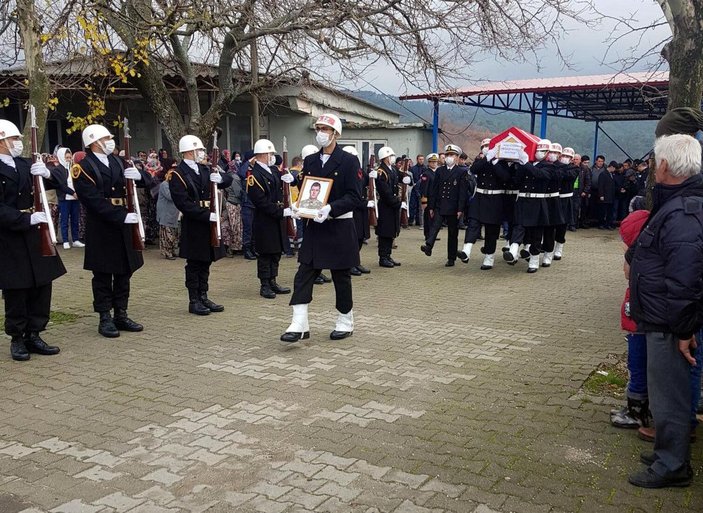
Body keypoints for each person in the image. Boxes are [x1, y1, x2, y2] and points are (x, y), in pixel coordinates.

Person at [627, 133, 703, 489]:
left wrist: (685, 330)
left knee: (669, 395)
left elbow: (686, 277)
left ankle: (673, 466)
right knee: (665, 392)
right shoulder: (677, 202)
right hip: (663, 315)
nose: (654, 166)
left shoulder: (685, 208)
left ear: (666, 165)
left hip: (669, 321)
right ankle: (667, 451)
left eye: (656, 161)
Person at [281, 113, 362, 343]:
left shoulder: (348, 161)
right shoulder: (312, 161)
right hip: (315, 227)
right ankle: (299, 324)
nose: (321, 133)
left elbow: (354, 196)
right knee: (304, 273)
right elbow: (309, 190)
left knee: (341, 277)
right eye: (318, 128)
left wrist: (331, 208)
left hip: (339, 226)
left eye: (325, 129)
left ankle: (345, 321)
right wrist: (299, 206)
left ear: (335, 134)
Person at [72, 124, 148, 338]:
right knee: (103, 274)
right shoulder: (83, 167)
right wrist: (120, 215)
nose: (110, 141)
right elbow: (91, 199)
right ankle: (104, 316)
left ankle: (121, 313)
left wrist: (139, 176)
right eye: (106, 138)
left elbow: (148, 182)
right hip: (103, 225)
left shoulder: (119, 161)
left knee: (125, 271)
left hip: (124, 223)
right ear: (94, 141)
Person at [0, 119, 66, 361]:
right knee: (17, 288)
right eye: (14, 139)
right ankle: (17, 338)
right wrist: (24, 218)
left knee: (41, 284)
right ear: (1, 140)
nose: (18, 143)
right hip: (11, 234)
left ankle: (35, 333)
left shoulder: (26, 163)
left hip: (35, 233)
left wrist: (48, 172)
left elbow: (61, 179)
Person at [168, 134, 232, 315]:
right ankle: (193, 300)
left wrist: (220, 179)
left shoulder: (204, 170)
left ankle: (203, 295)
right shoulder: (177, 174)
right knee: (195, 263)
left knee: (206, 261)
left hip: (208, 222)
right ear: (189, 151)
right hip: (195, 223)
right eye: (199, 150)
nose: (202, 153)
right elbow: (183, 203)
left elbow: (228, 179)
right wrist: (206, 215)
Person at [244, 139, 293, 299]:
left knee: (276, 252)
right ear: (262, 155)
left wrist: (289, 180)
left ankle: (273, 280)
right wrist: (280, 212)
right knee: (266, 253)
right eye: (270, 153)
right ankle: (264, 284)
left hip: (276, 217)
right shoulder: (254, 175)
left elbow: (280, 192)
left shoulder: (272, 171)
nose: (272, 156)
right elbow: (261, 202)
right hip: (265, 219)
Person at [503, 139, 551, 273]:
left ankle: (534, 261)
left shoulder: (549, 166)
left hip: (537, 202)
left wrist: (525, 164)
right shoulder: (525, 164)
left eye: (542, 151)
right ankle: (513, 251)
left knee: (536, 233)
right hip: (523, 200)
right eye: (537, 150)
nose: (539, 153)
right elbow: (516, 181)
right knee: (518, 227)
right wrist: (515, 165)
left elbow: (541, 175)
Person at [421, 144, 468, 267]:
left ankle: (451, 258)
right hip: (440, 204)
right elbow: (434, 190)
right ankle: (428, 246)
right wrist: (431, 206)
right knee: (435, 226)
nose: (449, 157)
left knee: (452, 233)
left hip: (453, 207)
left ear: (457, 157)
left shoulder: (461, 172)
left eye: (452, 155)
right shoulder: (440, 171)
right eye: (447, 155)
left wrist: (460, 209)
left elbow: (462, 193)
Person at [459, 141, 504, 270]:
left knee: (491, 230)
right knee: (473, 224)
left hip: (495, 199)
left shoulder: (501, 162)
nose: (486, 149)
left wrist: (495, 161)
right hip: (480, 197)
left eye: (489, 146)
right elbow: (473, 170)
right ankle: (466, 251)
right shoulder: (481, 161)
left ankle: (489, 258)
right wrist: (487, 158)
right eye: (484, 147)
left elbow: (505, 177)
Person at [374, 146, 406, 268]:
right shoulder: (381, 172)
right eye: (390, 156)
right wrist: (398, 203)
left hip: (392, 205)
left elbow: (400, 176)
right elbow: (385, 192)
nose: (392, 158)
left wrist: (406, 178)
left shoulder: (391, 169)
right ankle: (383, 257)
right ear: (385, 158)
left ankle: (388, 255)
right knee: (384, 232)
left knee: (391, 231)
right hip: (386, 205)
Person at [343, 145, 371, 276]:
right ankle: (349, 264)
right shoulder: (344, 173)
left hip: (361, 208)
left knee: (360, 237)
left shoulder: (358, 170)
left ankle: (356, 262)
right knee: (351, 240)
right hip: (353, 209)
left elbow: (364, 179)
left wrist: (372, 176)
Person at [50, 147, 85, 249]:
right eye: (66, 157)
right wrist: (72, 192)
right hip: (65, 198)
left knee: (75, 219)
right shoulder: (57, 170)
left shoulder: (74, 168)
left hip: (75, 198)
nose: (68, 159)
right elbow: (61, 185)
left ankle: (75, 239)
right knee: (64, 219)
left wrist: (78, 192)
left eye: (70, 157)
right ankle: (65, 240)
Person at [552, 147, 579, 261]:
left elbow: (566, 176)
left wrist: (558, 167)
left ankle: (559, 247)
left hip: (566, 200)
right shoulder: (555, 166)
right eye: (564, 156)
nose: (565, 158)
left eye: (568, 157)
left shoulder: (574, 169)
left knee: (562, 226)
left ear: (572, 159)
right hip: (554, 198)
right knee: (551, 224)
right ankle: (548, 246)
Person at [419, 153, 439, 241]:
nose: (434, 164)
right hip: (429, 199)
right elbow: (424, 188)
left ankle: (433, 235)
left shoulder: (437, 173)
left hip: (436, 199)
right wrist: (424, 201)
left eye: (435, 162)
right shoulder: (426, 174)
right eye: (432, 162)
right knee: (428, 218)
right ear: (429, 163)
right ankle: (428, 235)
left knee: (434, 218)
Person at [598, 161, 617, 229]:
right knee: (603, 211)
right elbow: (600, 185)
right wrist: (601, 195)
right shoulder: (603, 174)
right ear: (611, 167)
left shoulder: (612, 175)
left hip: (611, 196)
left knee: (609, 211)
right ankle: (601, 223)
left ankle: (608, 224)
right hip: (605, 196)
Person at [408, 154, 425, 226]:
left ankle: (419, 221)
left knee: (420, 206)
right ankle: (411, 220)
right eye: (420, 159)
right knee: (412, 205)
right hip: (414, 189)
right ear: (417, 160)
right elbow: (410, 180)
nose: (421, 160)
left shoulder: (426, 169)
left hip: (423, 190)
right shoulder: (413, 169)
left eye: (422, 159)